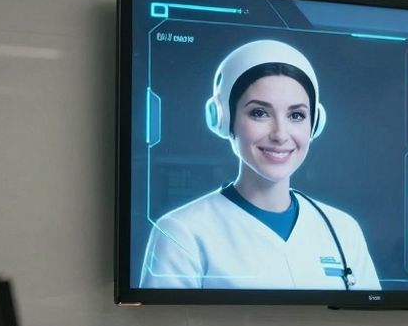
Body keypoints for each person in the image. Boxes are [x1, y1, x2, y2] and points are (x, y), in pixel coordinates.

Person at [141, 39, 380, 290]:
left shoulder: (343, 230)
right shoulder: (181, 232)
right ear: (223, 119)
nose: (280, 134)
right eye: (259, 113)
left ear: (315, 123)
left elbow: (373, 316)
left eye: (296, 115)